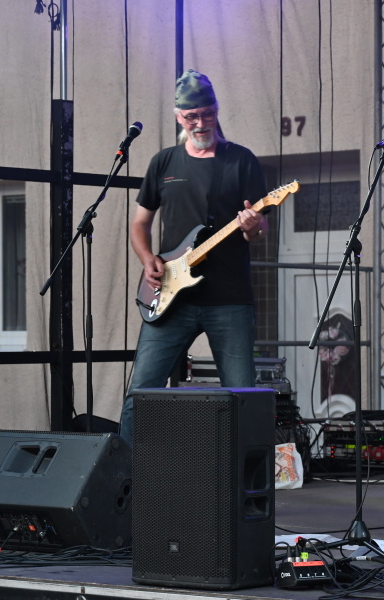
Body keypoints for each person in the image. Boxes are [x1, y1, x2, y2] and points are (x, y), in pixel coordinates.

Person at [119, 69, 269, 445]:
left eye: (207, 114)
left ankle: (244, 482)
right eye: (191, 117)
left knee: (243, 399)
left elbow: (258, 232)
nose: (200, 123)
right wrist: (147, 258)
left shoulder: (241, 161)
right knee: (139, 395)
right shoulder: (164, 162)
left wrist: (252, 225)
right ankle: (123, 476)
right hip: (171, 298)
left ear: (217, 110)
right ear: (178, 117)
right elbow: (139, 224)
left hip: (229, 300)